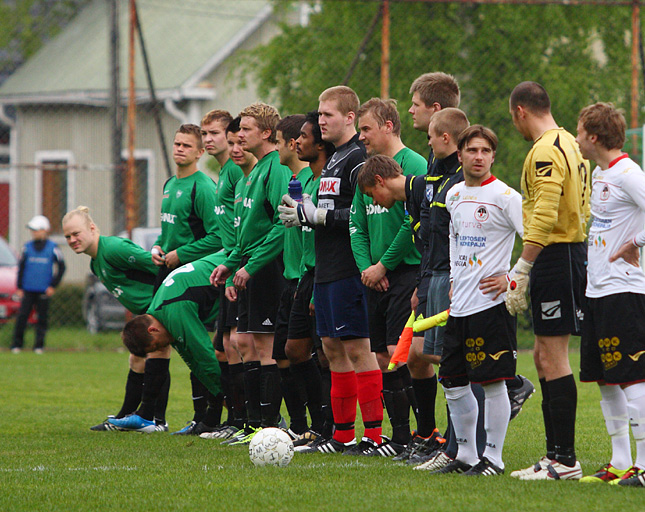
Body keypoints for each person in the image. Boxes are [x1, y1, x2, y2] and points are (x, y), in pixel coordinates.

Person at [279, 86, 383, 455]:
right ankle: (341, 435)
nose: (321, 120)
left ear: (350, 118)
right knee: (331, 349)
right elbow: (327, 211)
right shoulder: (335, 158)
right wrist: (303, 213)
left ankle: (373, 437)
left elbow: (364, 214)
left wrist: (319, 215)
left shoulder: (357, 157)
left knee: (358, 349)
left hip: (348, 269)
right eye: (319, 115)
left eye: (328, 115)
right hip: (325, 268)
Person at [112, 123, 221, 433]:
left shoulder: (204, 187)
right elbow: (169, 230)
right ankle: (153, 417)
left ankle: (205, 415)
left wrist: (181, 255)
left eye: (187, 145)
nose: (179, 149)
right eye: (176, 143)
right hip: (168, 269)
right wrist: (160, 245)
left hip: (197, 276)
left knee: (195, 345)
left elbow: (219, 238)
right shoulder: (170, 184)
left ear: (200, 152)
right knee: (158, 341)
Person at [428, 125, 522, 476]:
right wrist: (454, 279)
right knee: (452, 380)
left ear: (493, 156)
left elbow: (537, 239)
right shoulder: (453, 194)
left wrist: (512, 279)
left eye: (485, 151)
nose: (478, 157)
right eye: (472, 150)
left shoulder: (506, 196)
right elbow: (454, 240)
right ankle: (466, 455)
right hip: (461, 304)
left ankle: (493, 459)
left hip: (491, 304)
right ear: (460, 154)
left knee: (494, 381)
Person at [507, 81, 590, 480]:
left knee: (553, 356)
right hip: (562, 254)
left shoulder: (544, 149)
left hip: (556, 256)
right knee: (541, 354)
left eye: (514, 119)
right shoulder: (570, 142)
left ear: (520, 111)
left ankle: (565, 460)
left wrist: (522, 267)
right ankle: (553, 455)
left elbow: (545, 210)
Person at [350, 97, 426, 456]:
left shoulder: (414, 165)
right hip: (373, 276)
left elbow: (415, 222)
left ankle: (418, 435)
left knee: (401, 354)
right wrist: (368, 267)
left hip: (404, 272)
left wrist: (385, 265)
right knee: (381, 356)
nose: (360, 136)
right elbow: (356, 224)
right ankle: (399, 437)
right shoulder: (366, 170)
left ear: (388, 126)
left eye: (365, 129)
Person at [211, 103, 291, 442]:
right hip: (249, 266)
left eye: (245, 129)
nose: (239, 135)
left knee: (264, 345)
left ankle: (269, 424)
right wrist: (232, 264)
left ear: (266, 133)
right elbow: (247, 232)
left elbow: (281, 225)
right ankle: (253, 422)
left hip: (268, 267)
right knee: (246, 342)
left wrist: (251, 265)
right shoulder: (253, 172)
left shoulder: (276, 171)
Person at [575, 102, 645, 486]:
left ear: (595, 137)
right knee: (605, 378)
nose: (577, 138)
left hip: (625, 291)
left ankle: (644, 466)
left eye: (580, 131)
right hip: (597, 291)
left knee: (634, 376)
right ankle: (620, 462)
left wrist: (636, 241)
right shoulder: (601, 173)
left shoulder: (629, 174)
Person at [61, 206, 163, 432]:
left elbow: (158, 267)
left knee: (158, 353)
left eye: (76, 234)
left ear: (92, 228)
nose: (72, 240)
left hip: (163, 305)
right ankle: (126, 417)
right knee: (138, 358)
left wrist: (162, 303)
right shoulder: (95, 263)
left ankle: (157, 420)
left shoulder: (114, 248)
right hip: (149, 309)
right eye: (68, 236)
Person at [173, 110, 242, 436]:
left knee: (241, 345)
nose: (208, 139)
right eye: (205, 133)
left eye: (213, 133)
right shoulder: (224, 173)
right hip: (226, 269)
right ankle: (220, 418)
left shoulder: (239, 173)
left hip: (239, 268)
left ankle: (248, 420)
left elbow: (220, 235)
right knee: (222, 345)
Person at [279, 111, 334, 449]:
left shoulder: (329, 177)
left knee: (328, 353)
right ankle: (315, 424)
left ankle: (328, 426)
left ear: (319, 142)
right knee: (295, 349)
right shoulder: (308, 179)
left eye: (304, 135)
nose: (297, 141)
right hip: (304, 274)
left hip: (323, 273)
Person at [118, 253, 226, 415]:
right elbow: (194, 363)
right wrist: (220, 396)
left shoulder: (174, 314)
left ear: (152, 330)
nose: (162, 347)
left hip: (242, 266)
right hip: (230, 274)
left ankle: (253, 417)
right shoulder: (158, 313)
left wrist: (227, 399)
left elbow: (205, 356)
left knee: (240, 348)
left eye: (156, 345)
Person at [11, 215, 65, 354]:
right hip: (28, 289)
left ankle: (38, 346)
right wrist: (19, 286)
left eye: (37, 230)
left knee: (42, 318)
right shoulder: (27, 247)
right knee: (22, 316)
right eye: (32, 230)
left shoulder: (53, 248)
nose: (34, 233)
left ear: (45, 230)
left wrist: (53, 285)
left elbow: (61, 267)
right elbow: (21, 267)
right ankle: (17, 345)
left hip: (43, 290)